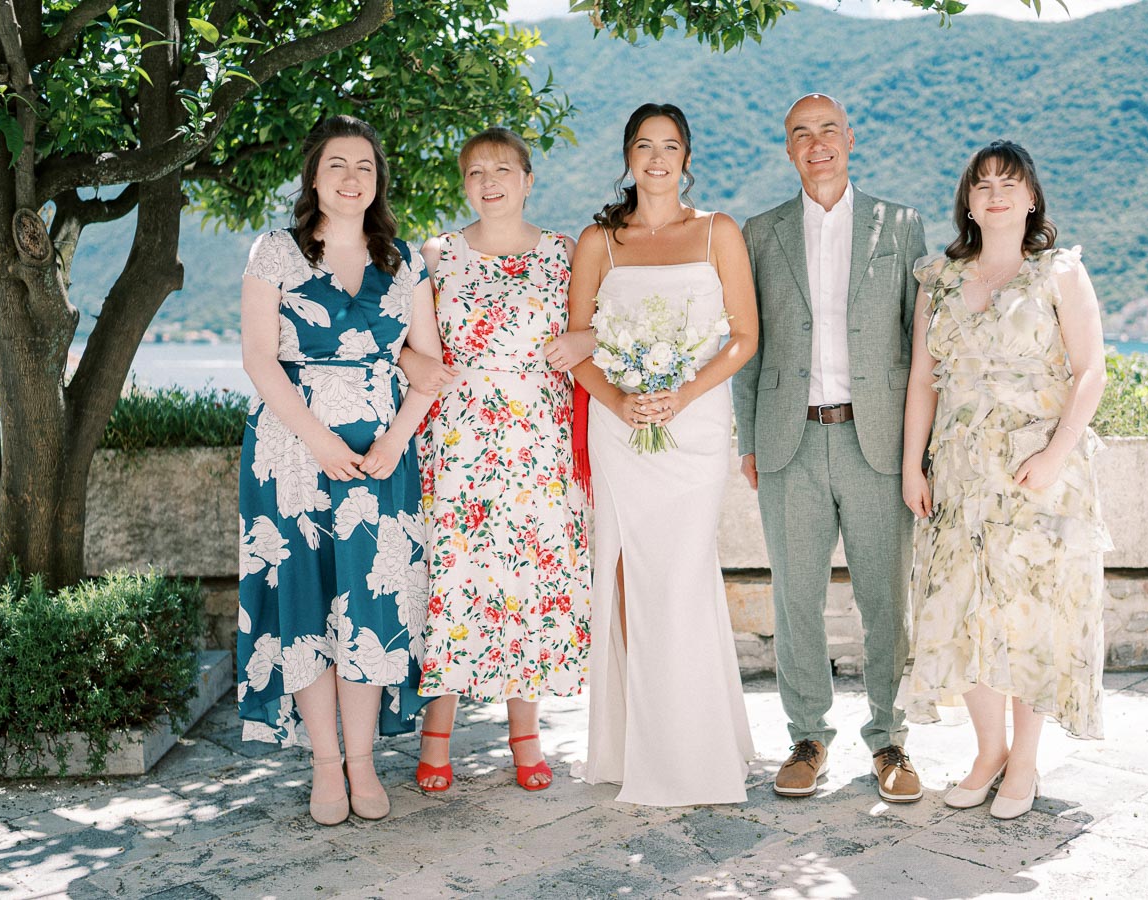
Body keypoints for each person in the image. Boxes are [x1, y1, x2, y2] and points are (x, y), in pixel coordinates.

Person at [235, 115, 453, 825]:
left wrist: (396, 438)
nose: (351, 177)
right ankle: (325, 765)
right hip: (293, 455)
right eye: (337, 164)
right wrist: (318, 440)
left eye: (364, 165)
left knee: (370, 602)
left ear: (377, 179)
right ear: (314, 176)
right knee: (305, 603)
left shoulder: (404, 262)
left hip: (382, 457)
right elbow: (260, 360)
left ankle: (363, 763)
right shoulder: (274, 252)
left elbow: (427, 363)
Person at [902, 140, 1109, 820]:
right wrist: (913, 463)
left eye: (1009, 182)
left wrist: (1054, 455)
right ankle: (987, 751)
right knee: (964, 611)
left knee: (1032, 615)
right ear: (968, 201)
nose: (995, 192)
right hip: (959, 474)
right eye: (982, 183)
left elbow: (1090, 373)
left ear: (1031, 199)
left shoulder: (1059, 274)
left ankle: (1025, 759)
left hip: (1035, 473)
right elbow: (922, 382)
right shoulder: (939, 279)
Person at [731, 93, 927, 802]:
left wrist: (918, 450)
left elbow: (920, 343)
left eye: (828, 132)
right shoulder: (760, 233)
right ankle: (806, 737)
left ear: (851, 140)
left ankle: (891, 739)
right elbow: (747, 348)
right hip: (790, 439)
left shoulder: (901, 225)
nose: (817, 144)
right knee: (796, 600)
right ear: (789, 148)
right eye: (800, 134)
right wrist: (748, 436)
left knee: (886, 601)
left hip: (876, 442)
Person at [568, 103, 759, 806]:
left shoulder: (717, 232)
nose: (656, 158)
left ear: (686, 157)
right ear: (627, 155)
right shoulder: (600, 241)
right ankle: (633, 748)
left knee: (679, 578)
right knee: (624, 582)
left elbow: (744, 336)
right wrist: (618, 401)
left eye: (669, 146)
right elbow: (578, 346)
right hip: (620, 432)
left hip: (696, 429)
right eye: (644, 146)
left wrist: (680, 394)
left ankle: (696, 749)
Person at [405, 127, 593, 793]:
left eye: (503, 169)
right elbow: (398, 341)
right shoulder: (437, 255)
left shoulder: (561, 254)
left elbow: (600, 324)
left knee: (531, 582)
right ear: (464, 184)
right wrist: (416, 362)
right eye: (476, 171)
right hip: (460, 443)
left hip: (540, 440)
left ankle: (526, 734)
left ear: (527, 178)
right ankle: (437, 735)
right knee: (458, 580)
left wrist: (583, 337)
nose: (490, 181)